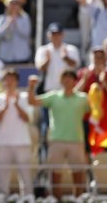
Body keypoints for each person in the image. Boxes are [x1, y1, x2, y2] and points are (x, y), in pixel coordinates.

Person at [28, 70, 90, 199]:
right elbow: (32, 101)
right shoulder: (53, 96)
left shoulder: (83, 98)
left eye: (70, 78)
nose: (67, 80)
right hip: (56, 141)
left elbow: (97, 111)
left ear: (75, 81)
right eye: (64, 78)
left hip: (76, 141)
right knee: (55, 174)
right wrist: (31, 86)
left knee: (78, 174)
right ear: (61, 81)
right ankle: (56, 200)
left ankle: (79, 200)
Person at [0, 69, 34, 198]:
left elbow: (28, 118)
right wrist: (5, 107)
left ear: (17, 81)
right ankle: (2, 197)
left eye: (12, 79)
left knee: (25, 174)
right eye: (7, 79)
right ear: (3, 82)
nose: (9, 82)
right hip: (3, 142)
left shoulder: (24, 97)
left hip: (22, 142)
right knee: (3, 174)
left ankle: (28, 198)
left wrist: (17, 104)